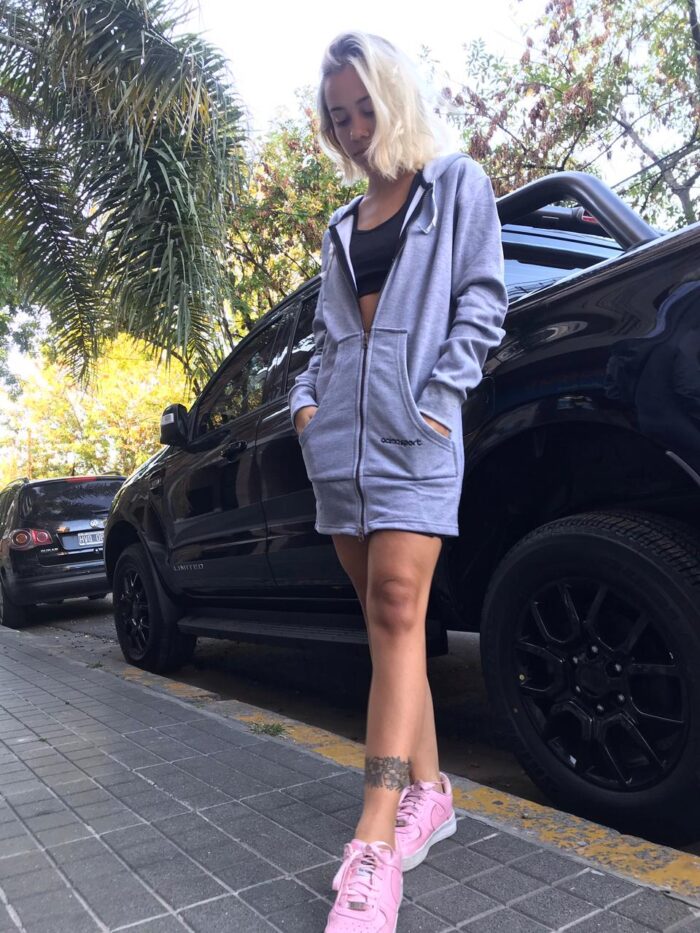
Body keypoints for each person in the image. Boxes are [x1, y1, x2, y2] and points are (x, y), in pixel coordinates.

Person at [287, 31, 509, 932]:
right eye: (338, 117)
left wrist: (441, 397)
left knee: (395, 608)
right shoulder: (341, 225)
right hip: (341, 445)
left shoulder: (453, 185)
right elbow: (325, 339)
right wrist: (307, 409)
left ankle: (374, 840)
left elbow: (483, 299)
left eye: (364, 108)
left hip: (415, 435)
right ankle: (431, 788)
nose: (352, 129)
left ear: (393, 98)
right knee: (391, 630)